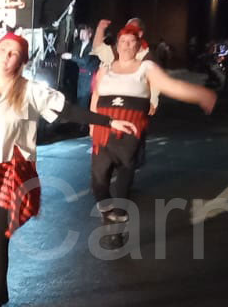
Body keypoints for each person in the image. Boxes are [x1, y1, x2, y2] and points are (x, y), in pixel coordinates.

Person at [0, 33, 139, 307]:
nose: (6, 57)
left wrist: (108, 121)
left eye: (14, 53)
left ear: (22, 61)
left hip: (12, 170)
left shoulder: (29, 90)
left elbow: (67, 111)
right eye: (3, 50)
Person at [89, 22, 217, 223]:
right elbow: (96, 96)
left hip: (130, 131)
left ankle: (119, 217)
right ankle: (108, 212)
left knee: (124, 173)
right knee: (98, 181)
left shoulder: (146, 68)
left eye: (131, 42)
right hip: (103, 130)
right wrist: (91, 124)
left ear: (138, 46)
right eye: (123, 41)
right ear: (117, 45)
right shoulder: (105, 69)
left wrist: (199, 94)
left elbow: (171, 86)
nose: (126, 45)